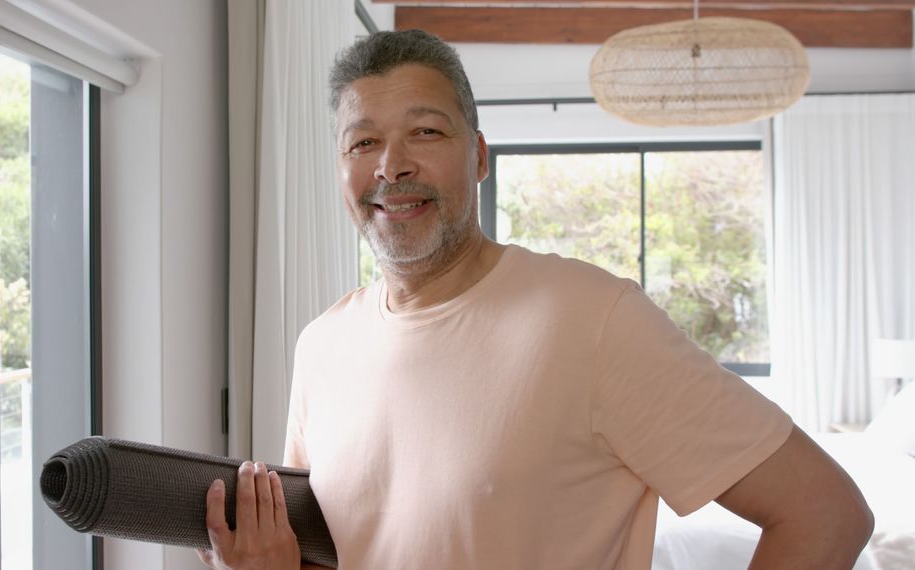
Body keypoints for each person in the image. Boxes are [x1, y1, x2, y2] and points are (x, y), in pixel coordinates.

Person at [199, 30, 873, 570]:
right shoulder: (321, 346)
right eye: (363, 141)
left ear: (480, 157)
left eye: (426, 132)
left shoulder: (592, 320)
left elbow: (826, 512)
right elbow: (336, 551)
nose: (391, 164)